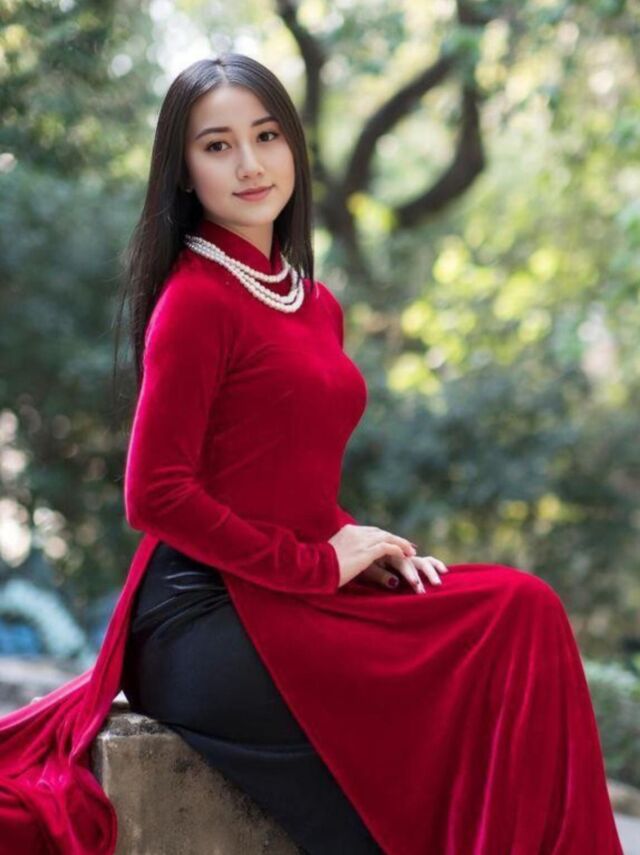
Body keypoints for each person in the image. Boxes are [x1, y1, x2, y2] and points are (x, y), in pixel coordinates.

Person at [0, 53, 623, 855]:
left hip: (287, 587)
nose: (250, 164)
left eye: (266, 136)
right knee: (490, 639)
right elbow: (154, 494)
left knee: (522, 608)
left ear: (294, 145)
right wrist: (317, 566)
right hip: (201, 612)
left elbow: (286, 477)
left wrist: (362, 548)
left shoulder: (313, 302)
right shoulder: (194, 301)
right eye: (217, 145)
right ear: (184, 171)